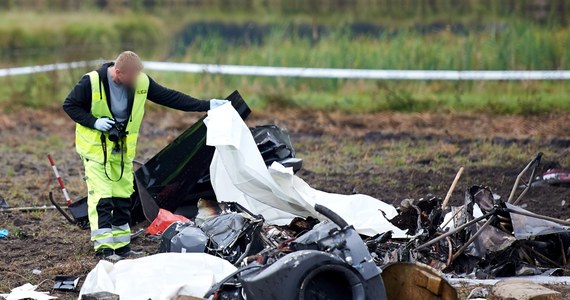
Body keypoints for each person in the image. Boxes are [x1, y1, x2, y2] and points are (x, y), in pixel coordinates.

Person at [63, 51, 228, 259]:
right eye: (130, 78)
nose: (135, 81)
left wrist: (207, 105)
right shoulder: (92, 81)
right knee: (103, 197)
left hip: (122, 152)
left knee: (123, 197)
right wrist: (94, 122)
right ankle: (104, 249)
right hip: (96, 151)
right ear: (119, 72)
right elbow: (69, 105)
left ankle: (122, 247)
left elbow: (171, 97)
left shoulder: (140, 81)